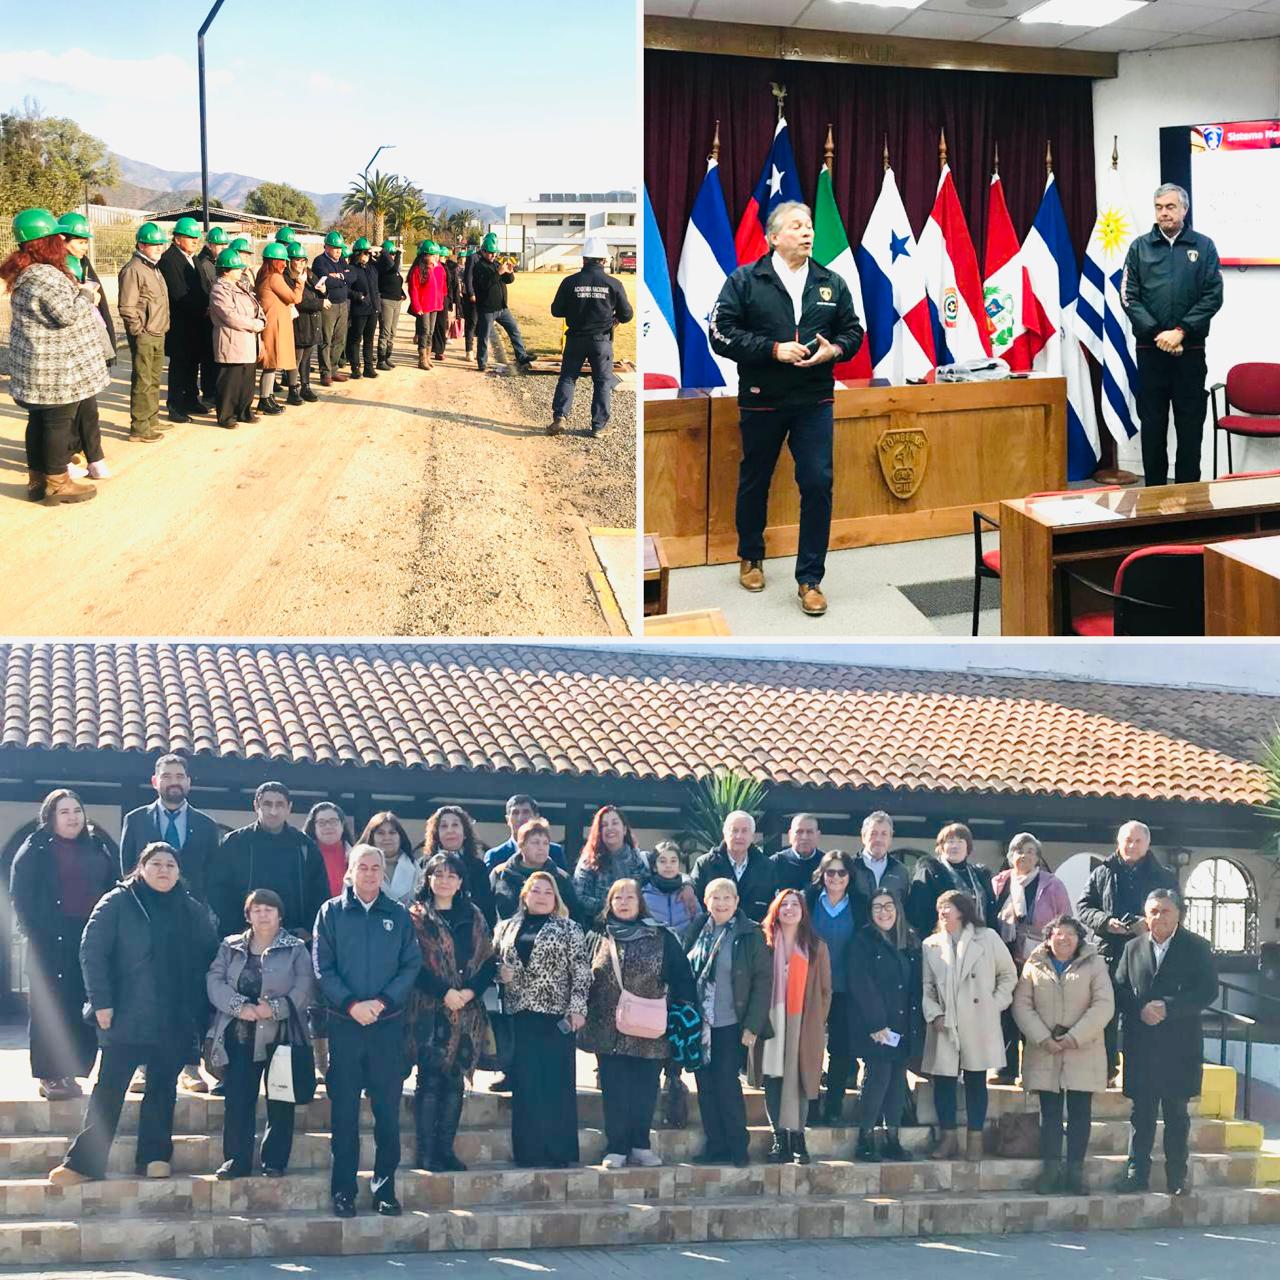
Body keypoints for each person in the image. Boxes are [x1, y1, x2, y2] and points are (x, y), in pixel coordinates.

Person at [708, 200, 864, 617]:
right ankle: (751, 555)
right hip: (762, 398)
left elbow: (854, 331)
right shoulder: (745, 280)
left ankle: (810, 579)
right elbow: (720, 334)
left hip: (814, 399)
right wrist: (772, 350)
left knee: (817, 483)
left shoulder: (832, 282)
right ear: (774, 237)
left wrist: (836, 349)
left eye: (809, 225)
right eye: (797, 226)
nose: (807, 232)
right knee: (755, 479)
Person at [48, 843, 219, 1185]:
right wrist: (101, 1002)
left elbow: (208, 956)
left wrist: (201, 1013)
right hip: (126, 1012)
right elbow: (91, 952)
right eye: (155, 863)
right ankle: (83, 1164)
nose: (163, 870)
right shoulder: (118, 902)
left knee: (162, 1089)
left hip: (174, 1015)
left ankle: (155, 1156)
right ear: (140, 867)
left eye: (170, 864)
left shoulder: (191, 909)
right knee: (109, 1089)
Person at [313, 843, 420, 1216]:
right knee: (344, 1115)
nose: (371, 873)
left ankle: (384, 1188)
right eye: (363, 867)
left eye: (376, 868)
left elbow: (410, 966)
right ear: (350, 872)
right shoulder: (330, 913)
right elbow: (322, 967)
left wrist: (383, 1003)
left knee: (387, 1115)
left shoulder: (399, 916)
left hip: (387, 1028)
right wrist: (351, 1005)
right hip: (345, 1026)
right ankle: (343, 1191)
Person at [119, 752, 222, 1093]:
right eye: (167, 775)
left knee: (189, 990)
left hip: (190, 923)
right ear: (155, 781)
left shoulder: (207, 826)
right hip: (147, 921)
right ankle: (143, 1066)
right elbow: (126, 872)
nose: (174, 781)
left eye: (180, 775)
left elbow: (212, 877)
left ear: (189, 782)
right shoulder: (135, 820)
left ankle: (189, 1066)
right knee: (146, 990)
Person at [581, 878, 696, 1169]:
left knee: (645, 1089)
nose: (623, 902)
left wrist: (682, 1016)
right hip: (608, 1029)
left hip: (650, 1028)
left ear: (640, 902)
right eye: (617, 898)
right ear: (609, 903)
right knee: (615, 1089)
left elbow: (682, 978)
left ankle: (641, 1144)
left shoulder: (661, 936)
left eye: (629, 897)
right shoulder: (598, 936)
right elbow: (583, 976)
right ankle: (617, 1146)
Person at [10, 789, 117, 1100]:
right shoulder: (35, 848)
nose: (73, 817)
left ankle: (70, 1071)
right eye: (64, 812)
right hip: (50, 939)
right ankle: (49, 1074)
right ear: (50, 817)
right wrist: (41, 933)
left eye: (76, 810)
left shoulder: (97, 846)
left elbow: (112, 888)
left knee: (80, 1005)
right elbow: (23, 898)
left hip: (89, 937)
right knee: (51, 1008)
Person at [205, 887, 317, 1179]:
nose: (263, 914)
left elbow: (305, 985)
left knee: (280, 1101)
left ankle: (275, 1160)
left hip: (281, 1036)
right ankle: (236, 1160)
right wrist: (238, 1006)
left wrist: (276, 1008)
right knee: (238, 1099)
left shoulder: (295, 948)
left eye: (269, 909)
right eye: (257, 909)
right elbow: (214, 980)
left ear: (280, 914)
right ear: (248, 915)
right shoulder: (230, 946)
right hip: (239, 1034)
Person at [1113, 888, 1216, 1195]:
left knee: (1176, 1114)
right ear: (1146, 915)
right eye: (1153, 911)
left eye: (1165, 911)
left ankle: (1176, 1178)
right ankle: (1136, 1172)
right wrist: (1139, 1009)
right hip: (1141, 1043)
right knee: (1141, 1113)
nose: (1159, 917)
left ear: (1179, 914)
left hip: (1179, 1045)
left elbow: (1207, 990)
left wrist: (1169, 1007)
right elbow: (1119, 988)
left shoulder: (1196, 947)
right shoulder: (1132, 948)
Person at [1121, 183, 1224, 486]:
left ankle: (1191, 503)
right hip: (1151, 353)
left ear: (1184, 209)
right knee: (1153, 428)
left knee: (1190, 428)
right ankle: (1154, 501)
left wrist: (1180, 332)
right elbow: (1128, 296)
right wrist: (1159, 335)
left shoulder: (1204, 246)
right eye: (1159, 207)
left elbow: (1213, 295)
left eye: (1170, 207)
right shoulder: (1139, 247)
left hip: (1190, 354)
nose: (1164, 213)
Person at [2, 208, 108, 504]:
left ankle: (38, 481)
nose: (62, 241)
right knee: (56, 424)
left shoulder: (31, 271)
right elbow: (67, 314)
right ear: (44, 241)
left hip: (45, 365)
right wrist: (86, 295)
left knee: (40, 423)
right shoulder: (43, 275)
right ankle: (57, 483)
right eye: (56, 236)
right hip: (56, 369)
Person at [493, 870, 591, 1168]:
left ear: (556, 898)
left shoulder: (568, 927)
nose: (542, 896)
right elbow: (494, 962)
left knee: (555, 1083)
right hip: (520, 1014)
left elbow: (582, 971)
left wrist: (577, 1008)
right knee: (526, 1084)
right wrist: (501, 974)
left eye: (548, 892)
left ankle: (557, 1151)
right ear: (525, 895)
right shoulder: (506, 927)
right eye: (536, 891)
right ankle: (529, 1151)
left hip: (556, 1016)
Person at [406, 852, 495, 1171]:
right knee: (430, 1080)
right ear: (428, 878)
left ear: (460, 882)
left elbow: (488, 961)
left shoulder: (474, 916)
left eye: (451, 875)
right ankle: (426, 1152)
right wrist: (445, 992)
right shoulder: (415, 916)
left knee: (455, 1081)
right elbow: (411, 964)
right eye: (438, 874)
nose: (445, 880)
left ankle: (446, 1150)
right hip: (429, 1008)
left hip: (468, 1010)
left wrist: (468, 992)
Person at [1012, 914, 1113, 1194]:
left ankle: (1075, 1173)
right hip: (1045, 1051)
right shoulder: (1034, 965)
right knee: (1050, 1114)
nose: (1064, 938)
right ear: (1048, 937)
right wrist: (1043, 1038)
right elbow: (1022, 1005)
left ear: (1079, 939)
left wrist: (1073, 1037)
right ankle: (1051, 1171)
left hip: (1083, 1050)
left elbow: (1103, 1005)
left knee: (1080, 1113)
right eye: (1058, 933)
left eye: (1070, 934)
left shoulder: (1095, 965)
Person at [1075, 820, 1177, 1085]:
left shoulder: (1163, 875)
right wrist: (1106, 922)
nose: (1132, 846)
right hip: (1110, 951)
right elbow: (1084, 906)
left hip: (1146, 954)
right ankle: (1107, 1071)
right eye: (1127, 841)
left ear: (1147, 844)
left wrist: (1150, 925)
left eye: (1137, 841)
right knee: (1106, 1014)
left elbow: (1178, 909)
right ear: (1118, 843)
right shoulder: (1102, 872)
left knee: (1139, 1013)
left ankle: (1138, 1074)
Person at [920, 889, 1017, 1162]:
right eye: (939, 907)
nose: (942, 911)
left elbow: (1008, 974)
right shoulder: (931, 944)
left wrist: (994, 1004)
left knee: (976, 1079)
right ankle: (948, 1138)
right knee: (944, 1082)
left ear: (962, 910)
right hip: (945, 1023)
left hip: (978, 1020)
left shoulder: (987, 938)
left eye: (948, 906)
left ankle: (975, 1139)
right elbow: (927, 987)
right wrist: (934, 1014)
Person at [684, 877, 772, 1167]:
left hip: (731, 1024)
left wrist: (753, 1026)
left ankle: (737, 1147)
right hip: (700, 1025)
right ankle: (716, 1147)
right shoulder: (698, 929)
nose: (721, 904)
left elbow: (763, 981)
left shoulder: (749, 933)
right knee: (705, 1086)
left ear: (736, 902)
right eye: (714, 898)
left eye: (727, 898)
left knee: (727, 1085)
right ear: (706, 902)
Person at [748, 888, 831, 1165]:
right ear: (776, 910)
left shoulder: (816, 947)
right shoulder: (763, 943)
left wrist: (815, 1022)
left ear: (803, 912)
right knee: (774, 1078)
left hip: (803, 1023)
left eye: (795, 904)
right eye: (784, 905)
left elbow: (824, 991)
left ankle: (798, 1137)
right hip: (770, 1020)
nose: (790, 909)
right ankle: (779, 1138)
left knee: (800, 1078)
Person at [848, 888, 922, 1163]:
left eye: (889, 906)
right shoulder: (862, 941)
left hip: (904, 1026)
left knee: (896, 1084)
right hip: (877, 1026)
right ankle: (865, 1138)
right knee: (877, 1079)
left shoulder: (910, 940)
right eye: (877, 907)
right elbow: (861, 983)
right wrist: (876, 1023)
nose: (884, 911)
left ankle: (892, 1138)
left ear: (898, 909)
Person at [991, 833, 1072, 1084]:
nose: (1023, 855)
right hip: (1004, 955)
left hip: (1039, 957)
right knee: (1004, 1010)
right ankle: (1005, 1069)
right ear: (1009, 856)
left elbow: (1065, 919)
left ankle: (1032, 1071)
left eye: (1029, 851)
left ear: (1037, 857)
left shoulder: (1052, 884)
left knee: (1033, 1012)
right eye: (1017, 850)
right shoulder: (999, 883)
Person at [207, 783, 330, 940]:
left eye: (280, 805)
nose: (273, 811)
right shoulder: (235, 843)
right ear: (256, 805)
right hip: (244, 937)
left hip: (295, 939)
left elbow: (319, 892)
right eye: (267, 804)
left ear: (289, 807)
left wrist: (308, 928)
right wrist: (239, 928)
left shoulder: (304, 845)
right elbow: (217, 889)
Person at [547, 236, 633, 436]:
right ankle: (598, 426)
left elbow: (556, 310)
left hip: (575, 339)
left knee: (568, 378)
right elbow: (627, 314)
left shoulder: (570, 282)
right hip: (601, 341)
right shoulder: (614, 284)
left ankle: (560, 417)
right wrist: (616, 318)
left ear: (583, 259)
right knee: (602, 382)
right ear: (604, 260)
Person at [55, 210, 114, 481]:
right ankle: (65, 458)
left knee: (89, 408)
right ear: (63, 239)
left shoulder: (83, 265)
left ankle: (95, 457)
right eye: (80, 241)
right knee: (65, 412)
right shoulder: (55, 270)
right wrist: (86, 297)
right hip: (67, 352)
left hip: (87, 344)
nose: (84, 247)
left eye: (86, 241)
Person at [804, 850, 858, 1125]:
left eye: (842, 872)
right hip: (811, 987)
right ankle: (810, 1105)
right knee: (811, 1047)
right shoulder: (809, 900)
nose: (836, 878)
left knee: (841, 1049)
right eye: (830, 872)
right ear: (822, 875)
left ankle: (834, 1104)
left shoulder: (859, 904)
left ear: (850, 876)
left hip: (847, 987)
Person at [117, 221, 172, 444]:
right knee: (143, 379)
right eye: (154, 244)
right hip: (146, 334)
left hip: (158, 331)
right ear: (141, 245)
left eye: (161, 244)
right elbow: (127, 307)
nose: (159, 248)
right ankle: (139, 427)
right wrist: (139, 331)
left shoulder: (153, 268)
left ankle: (152, 420)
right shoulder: (133, 270)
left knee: (154, 378)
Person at [158, 215, 212, 424]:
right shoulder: (169, 260)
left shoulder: (194, 259)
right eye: (190, 238)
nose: (195, 241)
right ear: (178, 238)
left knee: (193, 363)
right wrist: (202, 309)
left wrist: (208, 305)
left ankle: (191, 398)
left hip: (197, 322)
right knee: (180, 365)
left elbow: (204, 285)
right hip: (180, 324)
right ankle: (175, 405)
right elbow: (178, 293)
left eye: (196, 238)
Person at [907, 822, 998, 938]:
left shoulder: (981, 875)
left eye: (960, 841)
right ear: (941, 847)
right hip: (944, 941)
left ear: (967, 847)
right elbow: (917, 913)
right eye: (950, 841)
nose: (955, 846)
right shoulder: (930, 873)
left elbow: (991, 911)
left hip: (980, 941)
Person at [491, 816, 586, 926]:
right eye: (535, 842)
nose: (541, 847)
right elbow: (487, 911)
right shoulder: (500, 874)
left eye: (545, 843)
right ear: (521, 846)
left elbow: (575, 917)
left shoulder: (561, 878)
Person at [208, 247, 265, 428]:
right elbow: (229, 315)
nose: (241, 270)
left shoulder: (241, 286)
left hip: (248, 341)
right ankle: (226, 416)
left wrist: (261, 319)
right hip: (232, 341)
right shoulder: (219, 289)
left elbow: (256, 306)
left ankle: (244, 411)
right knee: (230, 381)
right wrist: (253, 325)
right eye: (237, 268)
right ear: (226, 270)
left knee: (247, 381)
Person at [690, 810, 774, 922]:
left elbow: (773, 906)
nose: (739, 836)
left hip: (755, 935)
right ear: (724, 834)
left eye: (744, 831)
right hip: (715, 933)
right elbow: (695, 902)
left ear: (752, 836)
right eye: (734, 830)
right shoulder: (705, 864)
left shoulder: (767, 867)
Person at [422, 805, 496, 927]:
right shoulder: (424, 864)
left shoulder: (478, 867)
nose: (450, 830)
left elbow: (486, 908)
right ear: (436, 834)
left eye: (455, 825)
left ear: (465, 832)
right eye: (444, 826)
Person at [254, 242, 305, 416]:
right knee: (270, 364)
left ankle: (267, 397)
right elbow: (294, 298)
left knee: (271, 363)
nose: (285, 264)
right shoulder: (274, 278)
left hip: (272, 323)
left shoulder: (262, 275)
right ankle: (264, 399)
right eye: (282, 261)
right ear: (275, 261)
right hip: (274, 326)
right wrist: (300, 282)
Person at [572, 805, 647, 921]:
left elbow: (649, 888)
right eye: (604, 825)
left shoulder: (637, 858)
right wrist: (611, 906)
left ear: (624, 829)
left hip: (635, 924)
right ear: (599, 831)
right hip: (599, 926)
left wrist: (686, 883)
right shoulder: (588, 861)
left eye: (615, 823)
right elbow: (580, 897)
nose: (610, 828)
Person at [471, 232, 533, 373]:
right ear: (483, 251)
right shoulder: (479, 266)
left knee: (514, 330)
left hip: (502, 308)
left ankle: (521, 356)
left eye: (494, 253)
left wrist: (509, 272)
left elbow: (508, 281)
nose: (493, 255)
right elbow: (483, 285)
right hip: (487, 309)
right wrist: (498, 273)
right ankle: (482, 362)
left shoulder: (496, 264)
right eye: (490, 253)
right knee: (484, 337)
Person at [849, 810, 912, 927]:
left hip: (890, 941)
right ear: (863, 836)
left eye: (884, 834)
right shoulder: (849, 867)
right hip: (856, 939)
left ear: (890, 838)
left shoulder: (901, 871)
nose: (878, 839)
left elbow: (904, 910)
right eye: (873, 833)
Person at [483, 795, 566, 871]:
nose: (520, 818)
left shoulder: (554, 852)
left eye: (526, 812)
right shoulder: (495, 856)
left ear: (536, 817)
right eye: (515, 813)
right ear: (508, 819)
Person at [356, 811, 420, 906]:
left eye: (392, 832)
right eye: (380, 833)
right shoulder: (356, 865)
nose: (387, 837)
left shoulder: (414, 867)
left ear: (400, 837)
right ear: (371, 837)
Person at [312, 231, 351, 386]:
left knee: (340, 339)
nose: (338, 251)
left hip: (343, 304)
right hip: (329, 305)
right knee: (326, 339)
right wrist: (343, 279)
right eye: (335, 248)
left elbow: (352, 277)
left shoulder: (341, 260)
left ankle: (334, 369)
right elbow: (326, 282)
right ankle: (325, 373)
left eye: (340, 248)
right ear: (326, 247)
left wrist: (339, 277)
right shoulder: (320, 262)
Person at [287, 243, 323, 403]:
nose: (301, 264)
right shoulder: (287, 278)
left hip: (312, 321)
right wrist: (319, 304)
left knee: (307, 357)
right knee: (296, 357)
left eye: (303, 260)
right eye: (297, 260)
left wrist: (323, 290)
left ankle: (305, 386)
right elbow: (296, 301)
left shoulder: (309, 274)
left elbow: (317, 290)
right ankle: (292, 389)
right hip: (298, 322)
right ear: (290, 261)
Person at [641, 842, 701, 933]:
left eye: (673, 861)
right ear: (654, 867)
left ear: (679, 865)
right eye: (662, 861)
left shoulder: (688, 893)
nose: (668, 865)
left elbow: (699, 925)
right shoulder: (644, 895)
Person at [406, 241, 446, 371]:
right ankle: (422, 358)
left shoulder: (439, 268)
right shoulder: (418, 270)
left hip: (435, 305)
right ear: (424, 256)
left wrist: (442, 301)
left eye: (436, 254)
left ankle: (428, 356)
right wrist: (417, 306)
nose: (435, 257)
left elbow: (442, 286)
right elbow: (413, 289)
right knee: (424, 331)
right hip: (423, 306)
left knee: (431, 331)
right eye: (432, 254)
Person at [344, 237, 380, 380]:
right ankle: (355, 367)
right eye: (363, 253)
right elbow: (346, 288)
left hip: (372, 309)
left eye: (367, 253)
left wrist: (379, 252)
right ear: (357, 254)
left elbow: (386, 266)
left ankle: (368, 367)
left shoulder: (372, 268)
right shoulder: (352, 269)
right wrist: (358, 296)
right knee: (355, 339)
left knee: (369, 339)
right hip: (359, 310)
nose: (366, 256)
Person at [304, 802, 353, 899]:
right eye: (321, 823)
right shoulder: (302, 855)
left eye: (333, 821)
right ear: (314, 827)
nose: (328, 826)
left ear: (342, 825)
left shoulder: (356, 856)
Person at [769, 813, 825, 893]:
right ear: (790, 835)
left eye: (809, 832)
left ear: (818, 836)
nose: (804, 837)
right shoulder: (775, 862)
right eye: (799, 832)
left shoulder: (826, 863)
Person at [375, 238, 405, 371]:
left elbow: (396, 281)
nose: (392, 256)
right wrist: (395, 253)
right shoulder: (383, 265)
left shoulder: (391, 266)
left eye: (393, 254)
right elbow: (394, 267)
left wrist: (402, 292)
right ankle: (381, 360)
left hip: (396, 300)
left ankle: (387, 356)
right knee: (385, 331)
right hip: (386, 300)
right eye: (391, 254)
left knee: (392, 332)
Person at [456, 246, 477, 360]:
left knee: (477, 324)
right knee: (471, 323)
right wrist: (469, 293)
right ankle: (469, 350)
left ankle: (476, 350)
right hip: (468, 297)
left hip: (478, 297)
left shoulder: (479, 265)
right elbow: (465, 280)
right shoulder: (461, 269)